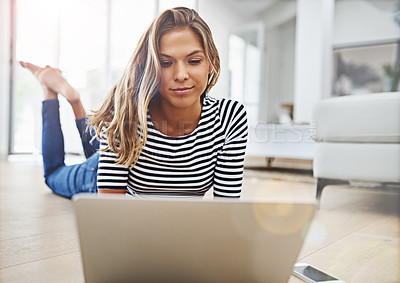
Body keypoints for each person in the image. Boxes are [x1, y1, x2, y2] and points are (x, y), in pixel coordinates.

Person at [21, 7, 248, 199]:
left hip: (123, 151)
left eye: (194, 61)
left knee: (99, 143)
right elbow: (112, 217)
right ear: (151, 68)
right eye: (166, 63)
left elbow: (225, 211)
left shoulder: (230, 118)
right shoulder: (125, 115)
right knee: (53, 175)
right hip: (99, 174)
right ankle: (60, 94)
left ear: (211, 63)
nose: (181, 75)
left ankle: (74, 102)